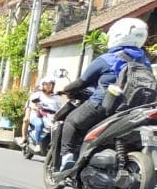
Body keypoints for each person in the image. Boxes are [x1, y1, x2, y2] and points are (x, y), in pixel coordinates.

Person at [59, 17, 151, 171]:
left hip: (103, 106)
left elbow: (81, 83)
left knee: (71, 121)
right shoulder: (145, 62)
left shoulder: (107, 59)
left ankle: (67, 156)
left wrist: (65, 89)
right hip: (133, 110)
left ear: (117, 35)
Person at [23, 76, 62, 145]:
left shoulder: (57, 97)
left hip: (51, 117)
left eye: (50, 84)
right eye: (46, 84)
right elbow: (31, 104)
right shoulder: (38, 95)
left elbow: (60, 108)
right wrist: (36, 108)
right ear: (43, 85)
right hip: (37, 115)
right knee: (39, 124)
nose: (48, 86)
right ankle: (37, 144)